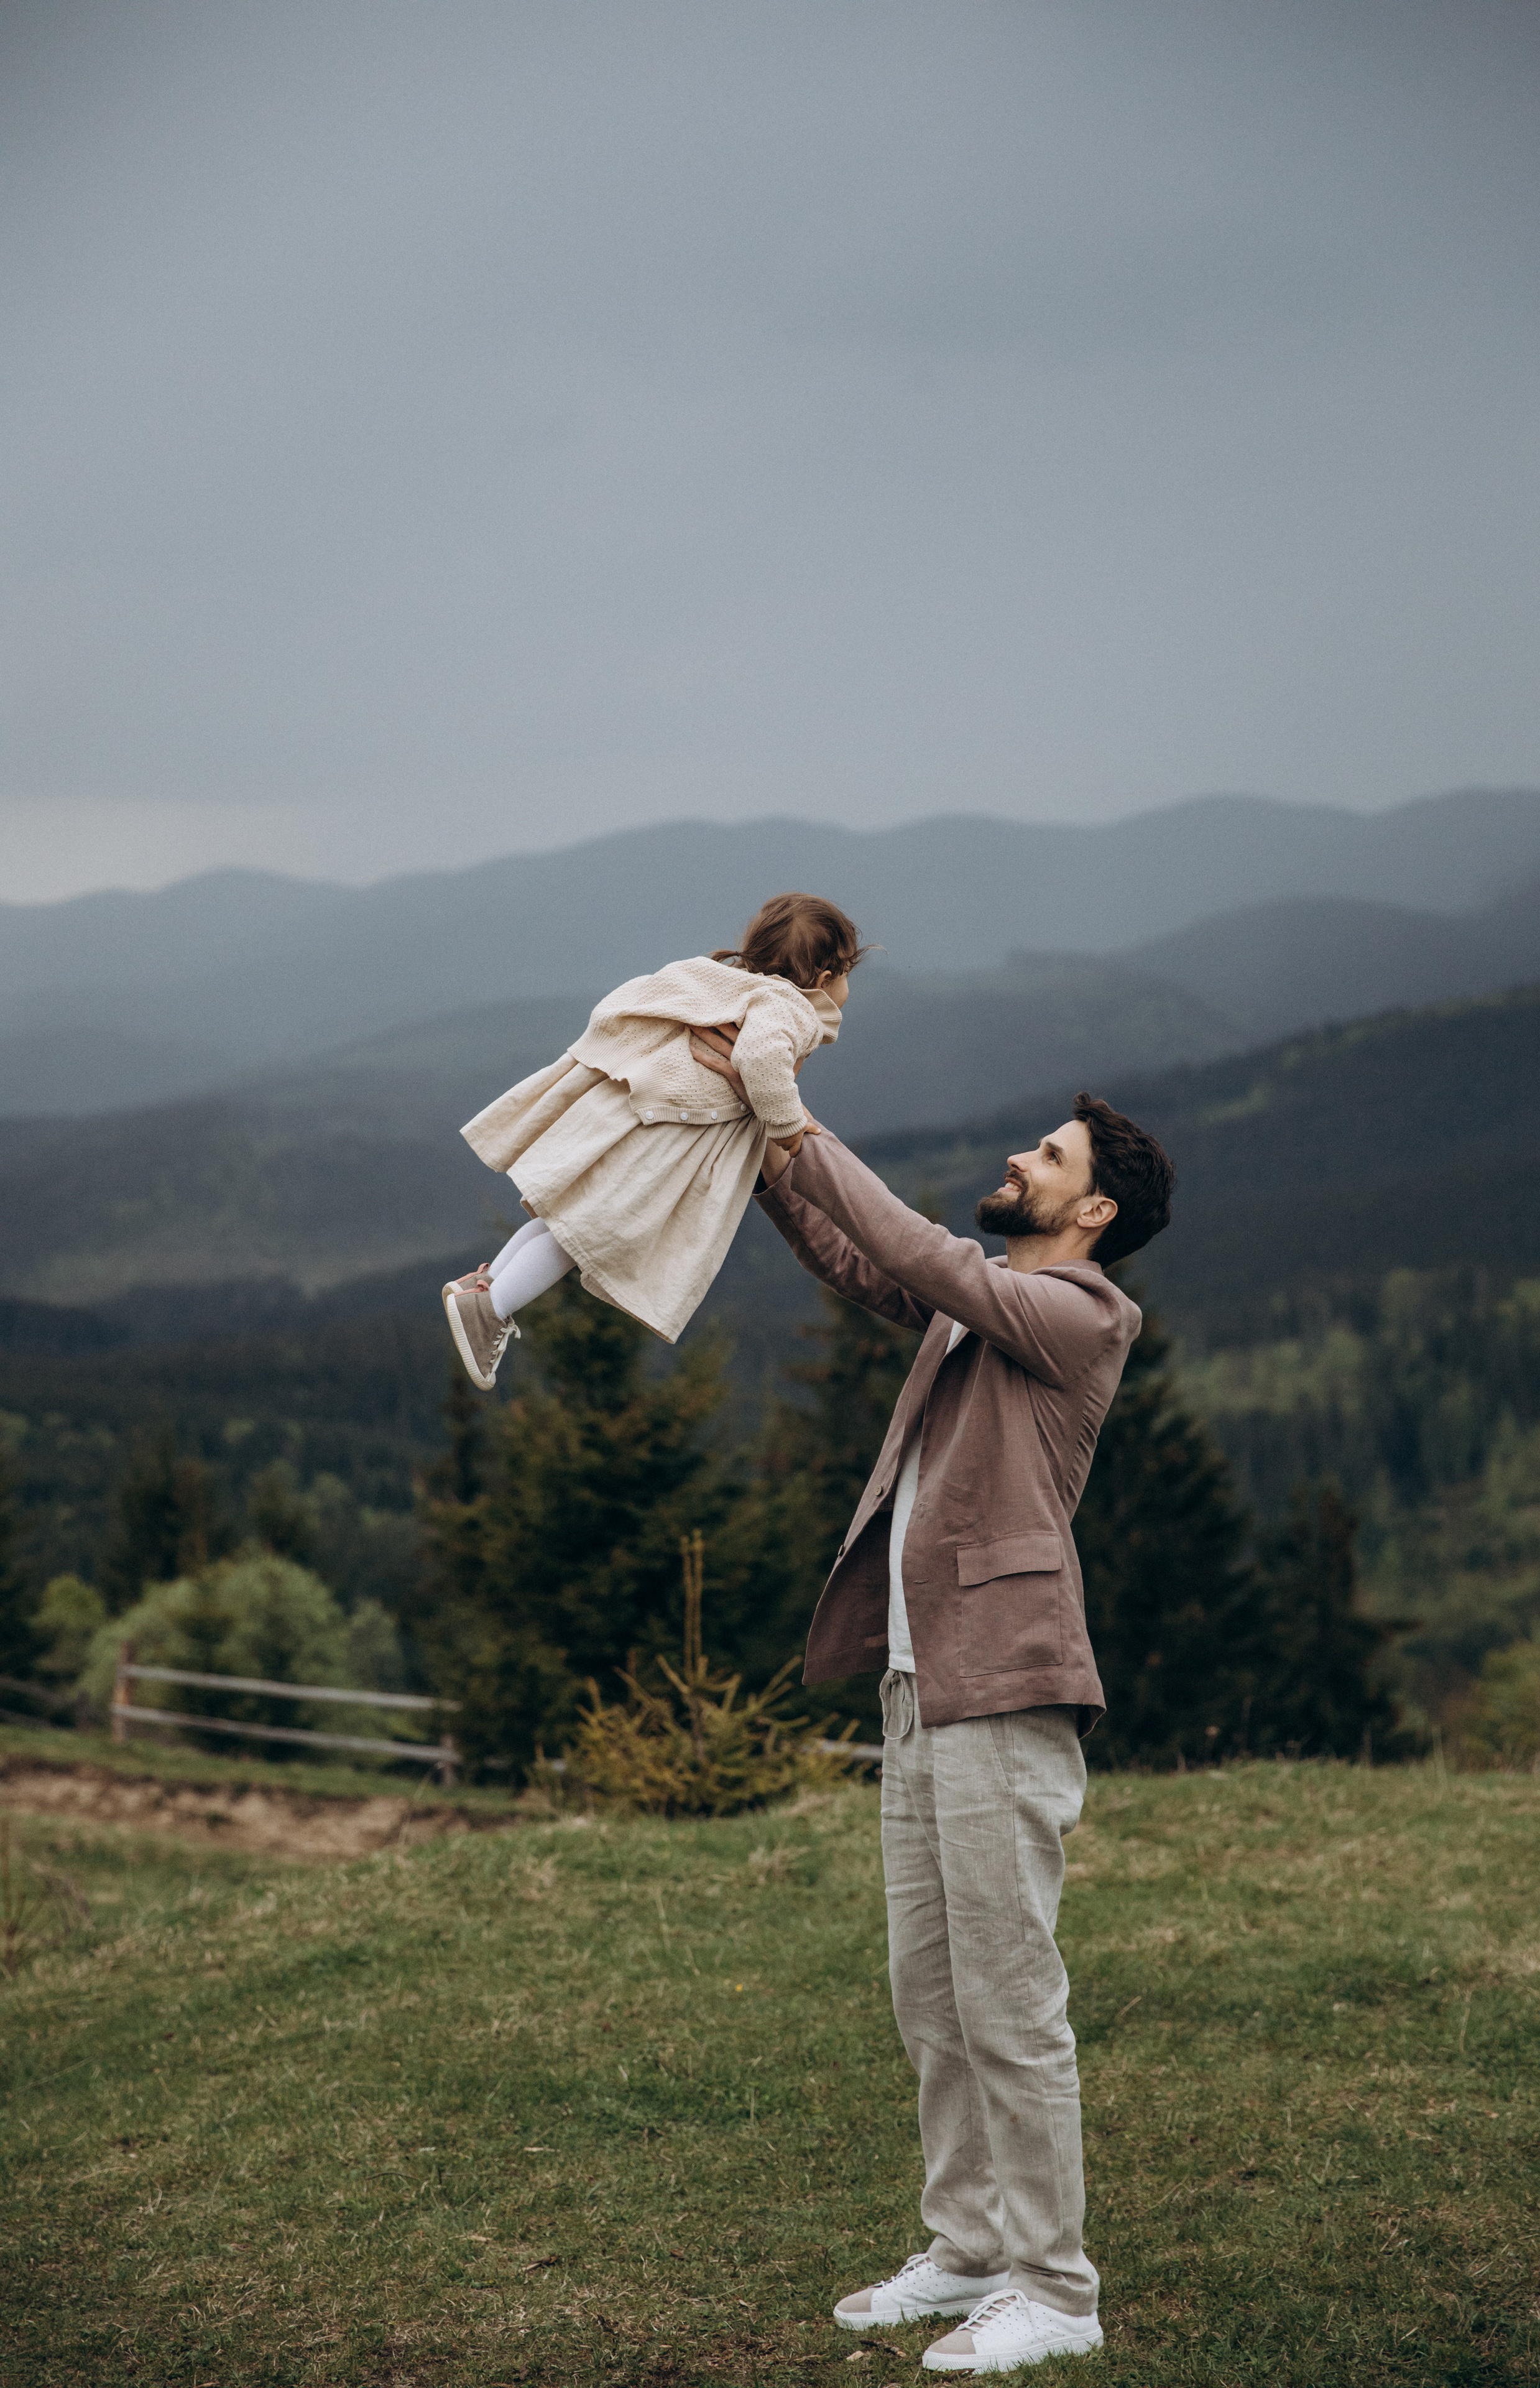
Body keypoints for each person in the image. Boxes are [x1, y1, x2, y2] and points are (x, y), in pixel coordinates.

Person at [694, 1044, 1174, 2374]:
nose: (1019, 1159)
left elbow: (911, 1248)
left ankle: (1054, 2289)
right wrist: (753, 1157)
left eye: (1051, 1157)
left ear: (1091, 1216)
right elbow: (865, 1265)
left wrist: (796, 1126)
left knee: (1008, 2004)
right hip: (920, 1686)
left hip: (1003, 1691)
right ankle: (966, 2249)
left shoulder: (1076, 1313)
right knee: (932, 1997)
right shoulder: (987, 1305)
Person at [440, 893, 863, 1386]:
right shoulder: (787, 1006)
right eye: (849, 974)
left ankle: (484, 1288)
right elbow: (761, 1063)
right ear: (824, 979)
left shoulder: (726, 984)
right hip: (669, 1132)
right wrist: (791, 1129)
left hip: (641, 1111)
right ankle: (492, 1307)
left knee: (567, 1219)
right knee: (589, 1235)